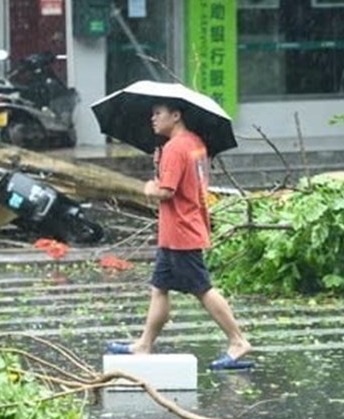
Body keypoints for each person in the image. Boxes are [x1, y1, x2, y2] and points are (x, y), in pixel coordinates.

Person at [106, 100, 253, 370]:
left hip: (181, 231)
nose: (153, 119)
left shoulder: (174, 148)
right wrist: (160, 166)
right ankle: (144, 344)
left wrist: (149, 187)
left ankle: (238, 340)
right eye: (152, 114)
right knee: (159, 288)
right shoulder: (194, 142)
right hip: (181, 227)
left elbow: (166, 191)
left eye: (158, 114)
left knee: (203, 289)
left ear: (176, 116)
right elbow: (184, 182)